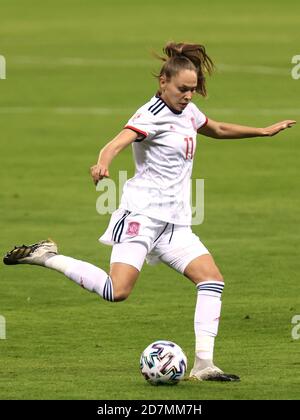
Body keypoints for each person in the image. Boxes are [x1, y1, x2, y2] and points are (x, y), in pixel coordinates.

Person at [3, 42, 296, 381]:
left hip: (176, 224)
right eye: (182, 89)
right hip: (141, 217)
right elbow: (116, 142)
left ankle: (204, 364)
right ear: (163, 83)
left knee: (212, 280)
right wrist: (102, 163)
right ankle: (46, 256)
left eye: (192, 89)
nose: (188, 95)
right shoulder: (150, 115)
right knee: (118, 291)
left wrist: (261, 131)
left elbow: (215, 128)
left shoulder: (188, 112)